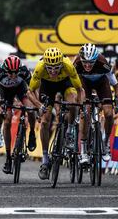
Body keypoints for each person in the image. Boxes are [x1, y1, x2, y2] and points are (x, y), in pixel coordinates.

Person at [27, 47, 84, 180]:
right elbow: (30, 92)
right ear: (45, 64)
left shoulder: (68, 65)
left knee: (72, 102)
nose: (53, 71)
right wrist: (39, 106)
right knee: (45, 121)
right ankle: (45, 160)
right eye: (50, 68)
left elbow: (79, 89)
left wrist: (80, 105)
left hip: (65, 83)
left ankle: (69, 131)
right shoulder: (40, 67)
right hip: (48, 86)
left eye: (56, 68)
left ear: (61, 64)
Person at [73, 43, 118, 163]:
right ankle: (83, 150)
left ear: (96, 60)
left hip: (101, 83)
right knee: (85, 112)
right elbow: (73, 86)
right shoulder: (77, 63)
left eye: (91, 62)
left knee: (109, 114)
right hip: (84, 84)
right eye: (85, 62)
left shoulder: (102, 63)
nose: (88, 65)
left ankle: (105, 143)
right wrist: (78, 103)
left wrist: (117, 102)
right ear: (81, 60)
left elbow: (116, 85)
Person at [0, 55, 36, 174]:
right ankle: (8, 158)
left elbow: (32, 90)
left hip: (20, 90)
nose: (13, 75)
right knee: (7, 120)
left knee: (30, 110)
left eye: (15, 72)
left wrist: (37, 105)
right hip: (5, 93)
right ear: (5, 70)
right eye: (10, 73)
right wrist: (0, 110)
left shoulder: (24, 71)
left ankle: (32, 133)